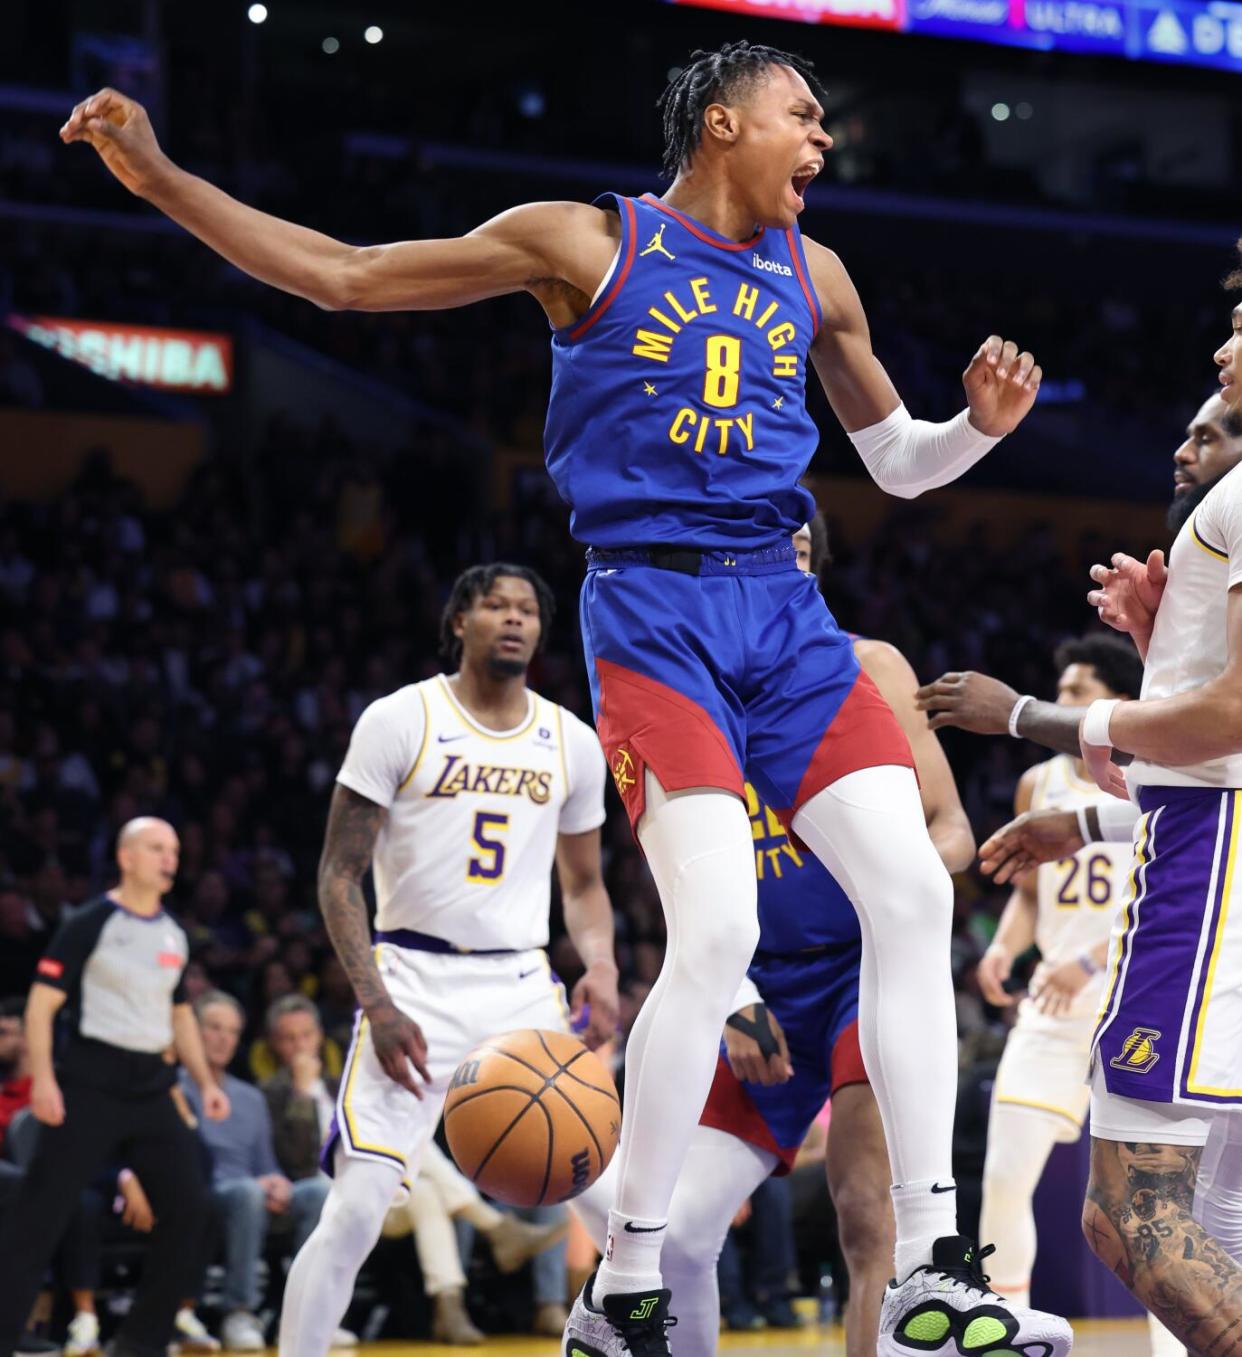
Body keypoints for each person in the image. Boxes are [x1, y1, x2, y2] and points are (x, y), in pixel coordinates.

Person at [60, 44, 1062, 1357]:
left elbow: (899, 462)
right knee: (709, 941)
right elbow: (345, 277)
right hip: (653, 613)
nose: (823, 141)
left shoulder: (814, 276)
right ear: (722, 123)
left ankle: (936, 1266)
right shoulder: (584, 244)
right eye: (802, 116)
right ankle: (627, 1277)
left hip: (784, 608)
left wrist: (977, 427)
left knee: (916, 894)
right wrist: (161, 177)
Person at [575, 513, 975, 1357]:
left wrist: (887, 885)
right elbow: (673, 875)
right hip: (753, 981)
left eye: (783, 550)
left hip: (857, 973)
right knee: (678, 1232)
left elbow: (951, 832)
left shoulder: (864, 668)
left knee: (869, 1217)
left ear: (809, 567)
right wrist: (740, 992)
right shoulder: (685, 674)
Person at [983, 288, 1242, 1353]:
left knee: (1134, 1214)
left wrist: (1028, 714)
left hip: (1209, 863)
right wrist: (1158, 638)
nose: (1225, 347)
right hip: (1208, 840)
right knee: (1209, 1208)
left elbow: (1228, 725)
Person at [269, 562, 616, 1355]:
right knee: (356, 1207)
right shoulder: (401, 718)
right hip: (413, 979)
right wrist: (378, 1004)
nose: (514, 618)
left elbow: (587, 883)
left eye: (528, 608)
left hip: (523, 983)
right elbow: (337, 875)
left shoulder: (573, 739)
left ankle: (626, 1337)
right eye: (495, 604)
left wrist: (600, 962)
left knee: (607, 1196)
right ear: (460, 620)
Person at [969, 640, 1160, 1328]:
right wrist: (1002, 949)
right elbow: (1029, 892)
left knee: (1154, 1206)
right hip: (1051, 1007)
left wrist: (1094, 959)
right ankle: (1006, 1331)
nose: (1064, 700)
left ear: (1117, 702)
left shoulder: (1157, 774)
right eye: (1061, 687)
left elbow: (1171, 897)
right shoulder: (1039, 784)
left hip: (1134, 1001)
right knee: (1002, 1178)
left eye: (1079, 690)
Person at [913, 390, 1242, 758]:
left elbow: (1227, 719)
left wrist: (1019, 712)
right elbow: (1185, 731)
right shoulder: (1212, 551)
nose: (1181, 452)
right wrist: (1154, 633)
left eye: (1207, 437)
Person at [0, 817, 223, 1357]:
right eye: (156, 848)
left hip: (151, 1086)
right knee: (40, 1214)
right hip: (91, 1081)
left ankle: (141, 1344)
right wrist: (45, 1081)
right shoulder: (90, 922)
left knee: (189, 1208)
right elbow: (41, 1004)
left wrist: (205, 1081)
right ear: (126, 857)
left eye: (174, 849)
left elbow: (180, 1014)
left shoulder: (174, 933)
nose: (169, 858)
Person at [182, 991, 352, 1353]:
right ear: (191, 1031)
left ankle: (311, 1314)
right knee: (247, 1192)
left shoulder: (249, 1097)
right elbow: (180, 1160)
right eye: (213, 1028)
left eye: (231, 1030)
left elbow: (266, 1163)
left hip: (252, 1190)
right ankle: (238, 1311)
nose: (224, 1038)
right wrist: (259, 1185)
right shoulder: (176, 1088)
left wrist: (276, 1181)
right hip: (204, 1192)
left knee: (315, 1193)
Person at [379, 1139, 570, 1345]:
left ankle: (550, 1306)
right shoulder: (418, 1116)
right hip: (431, 1201)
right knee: (443, 1198)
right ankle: (454, 1301)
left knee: (552, 1196)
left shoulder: (500, 1110)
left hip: (494, 1200)